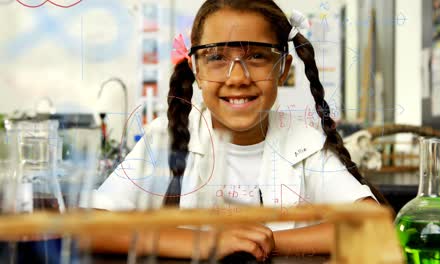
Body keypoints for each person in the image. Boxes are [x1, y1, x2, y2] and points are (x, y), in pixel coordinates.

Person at [89, 0, 388, 261]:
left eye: (257, 56)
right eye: (217, 58)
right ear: (196, 68)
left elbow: (373, 225)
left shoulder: (304, 143)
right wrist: (204, 242)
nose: (237, 78)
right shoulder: (163, 138)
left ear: (282, 68)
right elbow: (92, 228)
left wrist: (264, 242)